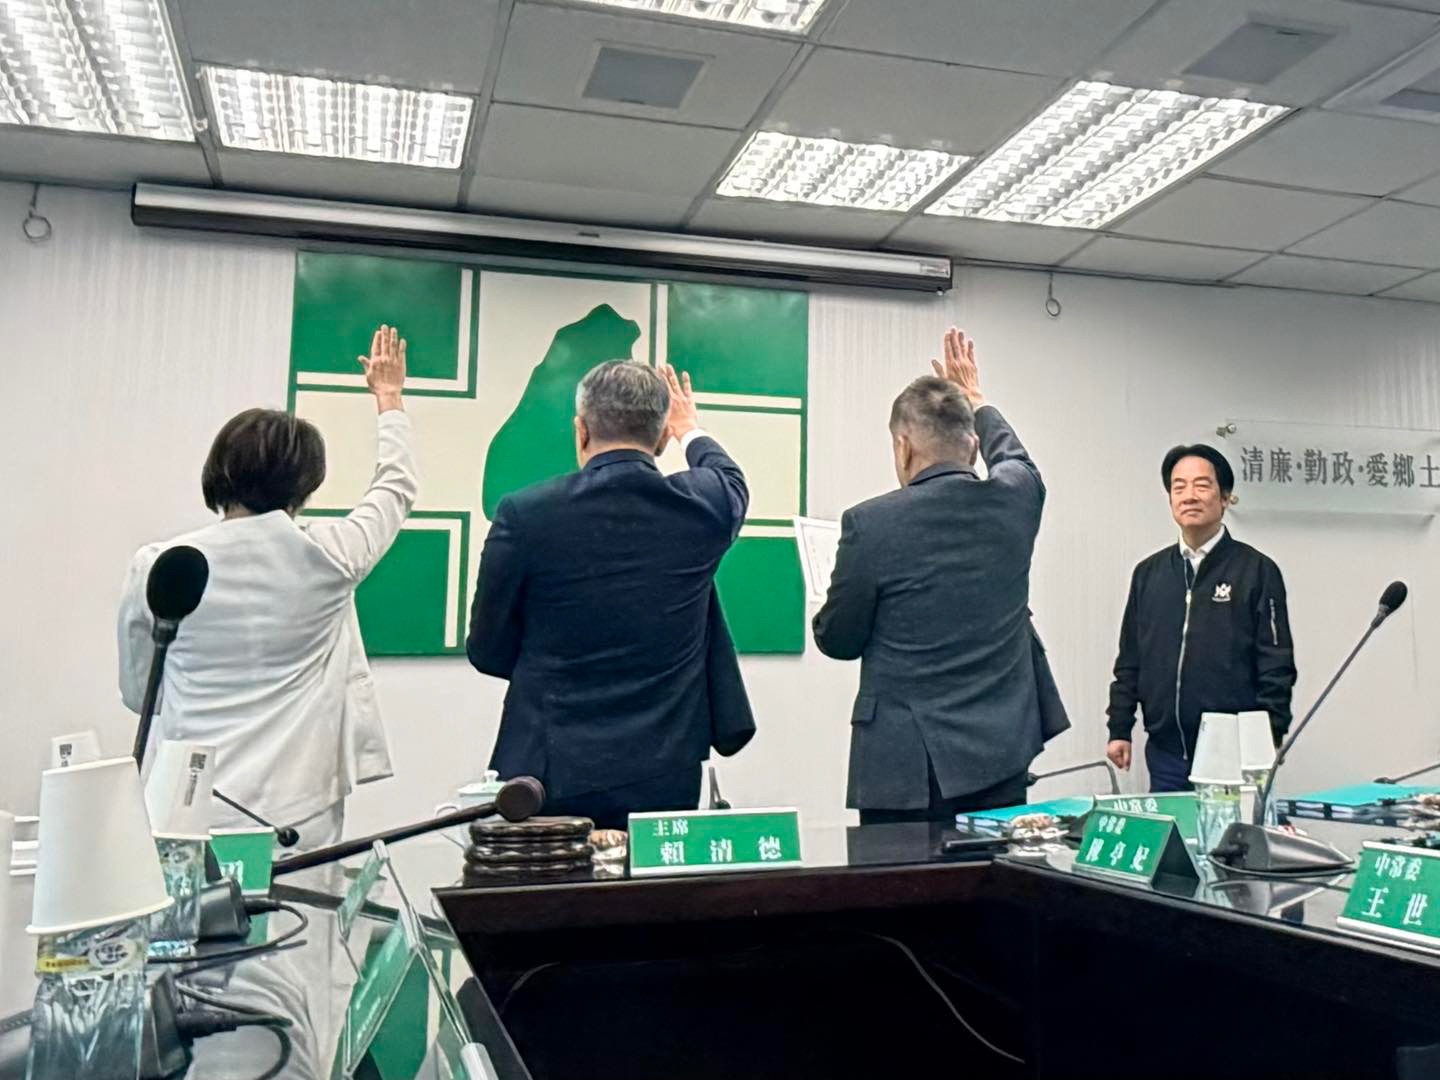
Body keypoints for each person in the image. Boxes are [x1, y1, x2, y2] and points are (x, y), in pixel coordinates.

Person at [119, 325, 415, 851]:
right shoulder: (332, 555)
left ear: (218, 471)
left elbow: (138, 690)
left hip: (186, 802)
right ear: (308, 483)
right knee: (307, 908)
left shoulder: (159, 565)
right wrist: (389, 399)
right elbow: (396, 487)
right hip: (297, 812)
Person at [467, 360, 751, 829]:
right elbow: (729, 476)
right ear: (661, 438)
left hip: (549, 766)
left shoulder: (526, 513)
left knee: (554, 878)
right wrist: (689, 428)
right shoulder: (704, 505)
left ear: (581, 431)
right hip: (666, 768)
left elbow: (487, 649)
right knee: (653, 879)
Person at [814, 328, 1065, 824]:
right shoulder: (1016, 499)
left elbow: (840, 640)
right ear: (973, 447)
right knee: (993, 870)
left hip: (905, 770)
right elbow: (1017, 460)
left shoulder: (870, 524)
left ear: (903, 446)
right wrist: (977, 400)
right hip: (1001, 755)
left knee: (903, 877)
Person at [1105, 444, 1296, 792]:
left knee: (1234, 830)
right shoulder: (1148, 573)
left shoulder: (1256, 570)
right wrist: (1119, 728)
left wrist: (1270, 735)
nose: (1189, 496)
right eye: (1179, 487)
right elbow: (1130, 658)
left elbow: (1276, 665)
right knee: (1173, 828)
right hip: (1166, 754)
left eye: (1202, 485)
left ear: (1225, 498)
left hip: (1235, 755)